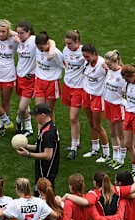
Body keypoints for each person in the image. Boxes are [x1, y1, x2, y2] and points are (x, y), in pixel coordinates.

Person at [15, 103, 60, 191]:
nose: (34, 117)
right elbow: (40, 147)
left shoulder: (48, 133)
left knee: (44, 197)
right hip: (42, 170)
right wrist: (25, 146)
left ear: (43, 115)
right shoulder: (46, 128)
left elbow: (48, 155)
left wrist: (28, 154)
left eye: (36, 115)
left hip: (46, 172)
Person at [80, 44, 109, 162]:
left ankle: (106, 154)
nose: (85, 59)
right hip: (87, 94)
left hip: (98, 96)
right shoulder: (86, 62)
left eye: (87, 56)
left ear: (94, 54)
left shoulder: (102, 64)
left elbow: (118, 73)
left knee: (98, 125)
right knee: (91, 123)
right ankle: (95, 149)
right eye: (84, 56)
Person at [61, 29, 85, 159]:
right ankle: (77, 141)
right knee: (73, 118)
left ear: (77, 42)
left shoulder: (83, 52)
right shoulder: (65, 50)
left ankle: (74, 147)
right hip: (67, 85)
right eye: (66, 43)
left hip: (78, 88)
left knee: (72, 117)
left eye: (70, 43)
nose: (67, 46)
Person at [102, 50, 126, 169]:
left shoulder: (123, 74)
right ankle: (115, 157)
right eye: (107, 64)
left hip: (118, 106)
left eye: (110, 64)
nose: (108, 66)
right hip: (108, 104)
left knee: (121, 134)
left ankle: (121, 159)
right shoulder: (110, 70)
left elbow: (127, 91)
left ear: (116, 62)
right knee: (112, 133)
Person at [33, 32, 64, 120]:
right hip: (39, 81)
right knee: (39, 110)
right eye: (39, 48)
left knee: (48, 111)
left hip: (52, 83)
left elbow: (65, 65)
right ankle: (41, 133)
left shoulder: (56, 54)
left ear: (47, 44)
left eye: (42, 48)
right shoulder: (37, 48)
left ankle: (52, 131)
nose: (41, 50)